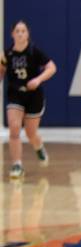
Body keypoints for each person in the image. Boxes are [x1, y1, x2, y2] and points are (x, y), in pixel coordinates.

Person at [0, 20, 56, 179]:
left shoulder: (34, 51)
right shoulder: (7, 54)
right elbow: (1, 71)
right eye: (17, 31)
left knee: (31, 133)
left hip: (34, 96)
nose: (19, 33)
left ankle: (39, 147)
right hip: (15, 94)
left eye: (23, 31)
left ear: (27, 34)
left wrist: (38, 80)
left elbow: (52, 67)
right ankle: (17, 164)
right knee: (14, 127)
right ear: (12, 34)